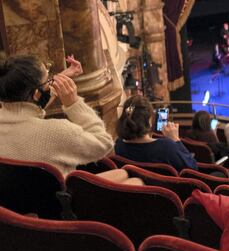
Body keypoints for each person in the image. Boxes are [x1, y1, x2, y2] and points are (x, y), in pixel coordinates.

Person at [0, 55, 138, 184]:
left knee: (122, 173)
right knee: (135, 180)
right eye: (48, 80)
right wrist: (74, 104)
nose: (50, 83)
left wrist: (60, 80)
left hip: (17, 202)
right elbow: (103, 144)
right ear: (36, 93)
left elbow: (28, 108)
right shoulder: (56, 132)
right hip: (58, 203)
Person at [114, 95, 198, 171]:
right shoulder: (166, 147)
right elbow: (192, 169)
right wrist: (176, 139)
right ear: (149, 121)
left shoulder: (118, 145)